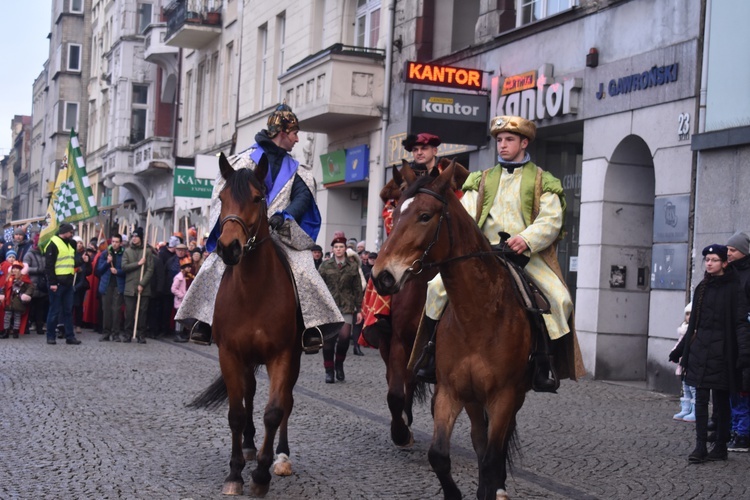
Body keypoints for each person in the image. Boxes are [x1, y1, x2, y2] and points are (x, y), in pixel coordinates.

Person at [416, 116, 576, 392]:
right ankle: (430, 353)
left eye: (509, 140)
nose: (502, 145)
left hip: (524, 256)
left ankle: (544, 363)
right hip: (481, 255)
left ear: (524, 143)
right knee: (435, 287)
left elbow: (552, 220)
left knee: (559, 299)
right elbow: (465, 216)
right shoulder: (481, 180)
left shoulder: (543, 181)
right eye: (499, 140)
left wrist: (526, 239)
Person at [176, 103, 343, 349]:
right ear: (282, 132)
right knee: (214, 264)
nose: (298, 139)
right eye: (294, 132)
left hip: (281, 233)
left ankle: (312, 325)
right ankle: (203, 321)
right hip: (245, 229)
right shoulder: (243, 161)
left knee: (305, 267)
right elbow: (229, 195)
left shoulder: (297, 170)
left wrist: (284, 215)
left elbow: (302, 198)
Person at [670, 244, 750, 463]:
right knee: (701, 399)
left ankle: (720, 446)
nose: (709, 263)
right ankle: (700, 446)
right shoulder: (702, 287)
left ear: (724, 263)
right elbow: (694, 323)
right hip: (700, 351)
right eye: (707, 260)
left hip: (724, 353)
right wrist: (680, 350)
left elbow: (741, 322)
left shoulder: (735, 288)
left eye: (714, 260)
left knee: (722, 401)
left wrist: (744, 352)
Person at [318, 236, 364, 382]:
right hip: (329, 307)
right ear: (332, 249)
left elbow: (357, 289)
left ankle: (339, 364)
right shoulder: (325, 266)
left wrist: (359, 309)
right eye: (336, 247)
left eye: (341, 247)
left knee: (344, 338)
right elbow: (318, 287)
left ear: (345, 249)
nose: (338, 249)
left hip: (347, 306)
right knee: (329, 339)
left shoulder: (352, 266)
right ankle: (329, 370)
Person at [726, 231, 750, 452]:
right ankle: (736, 429)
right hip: (732, 336)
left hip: (745, 336)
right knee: (735, 386)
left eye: (733, 249)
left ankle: (743, 433)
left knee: (743, 386)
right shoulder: (729, 272)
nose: (729, 253)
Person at [44, 223, 82, 345]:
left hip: (68, 283)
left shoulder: (71, 244)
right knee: (54, 311)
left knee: (68, 311)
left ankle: (70, 336)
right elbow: (49, 266)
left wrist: (82, 260)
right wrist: (52, 283)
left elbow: (72, 262)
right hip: (58, 284)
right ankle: (50, 336)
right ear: (65, 232)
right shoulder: (53, 244)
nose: (72, 235)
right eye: (71, 232)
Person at [122, 227, 154, 344]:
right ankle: (128, 334)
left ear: (141, 238)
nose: (134, 239)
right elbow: (124, 267)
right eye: (133, 236)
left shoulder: (147, 251)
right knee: (129, 312)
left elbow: (150, 269)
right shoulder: (127, 251)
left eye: (137, 236)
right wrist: (138, 263)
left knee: (142, 313)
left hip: (143, 288)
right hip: (130, 287)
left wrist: (142, 284)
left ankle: (141, 334)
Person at [95, 234, 125, 342]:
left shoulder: (124, 254)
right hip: (107, 285)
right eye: (113, 241)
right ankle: (106, 332)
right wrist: (107, 263)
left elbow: (127, 270)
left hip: (118, 285)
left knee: (116, 311)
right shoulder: (105, 253)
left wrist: (118, 272)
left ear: (120, 243)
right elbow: (98, 270)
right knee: (106, 310)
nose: (114, 243)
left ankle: (115, 333)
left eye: (117, 242)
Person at [672, 303, 696, 422]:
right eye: (687, 314)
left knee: (693, 388)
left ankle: (695, 410)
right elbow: (679, 344)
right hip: (684, 362)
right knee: (685, 387)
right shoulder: (683, 329)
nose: (689, 316)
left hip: (691, 363)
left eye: (691, 313)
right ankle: (686, 409)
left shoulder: (694, 330)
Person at [0, 262, 34, 338]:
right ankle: (6, 331)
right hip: (8, 300)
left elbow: (31, 287)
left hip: (18, 301)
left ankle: (16, 331)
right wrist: (2, 294)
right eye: (13, 268)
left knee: (17, 317)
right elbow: (4, 287)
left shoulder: (24, 278)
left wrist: (26, 294)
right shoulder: (9, 278)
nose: (15, 270)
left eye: (17, 268)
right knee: (7, 317)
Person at [23, 233, 48, 335]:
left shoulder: (45, 254)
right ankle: (26, 327)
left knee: (40, 308)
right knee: (29, 308)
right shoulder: (29, 255)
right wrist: (39, 270)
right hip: (32, 284)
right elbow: (25, 269)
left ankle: (39, 327)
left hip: (42, 284)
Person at [171, 257, 194, 341]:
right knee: (179, 319)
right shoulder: (179, 277)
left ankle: (181, 333)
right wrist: (182, 296)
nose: (189, 269)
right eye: (188, 267)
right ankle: (177, 334)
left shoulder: (185, 276)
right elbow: (173, 289)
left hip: (183, 301)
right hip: (180, 300)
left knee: (182, 318)